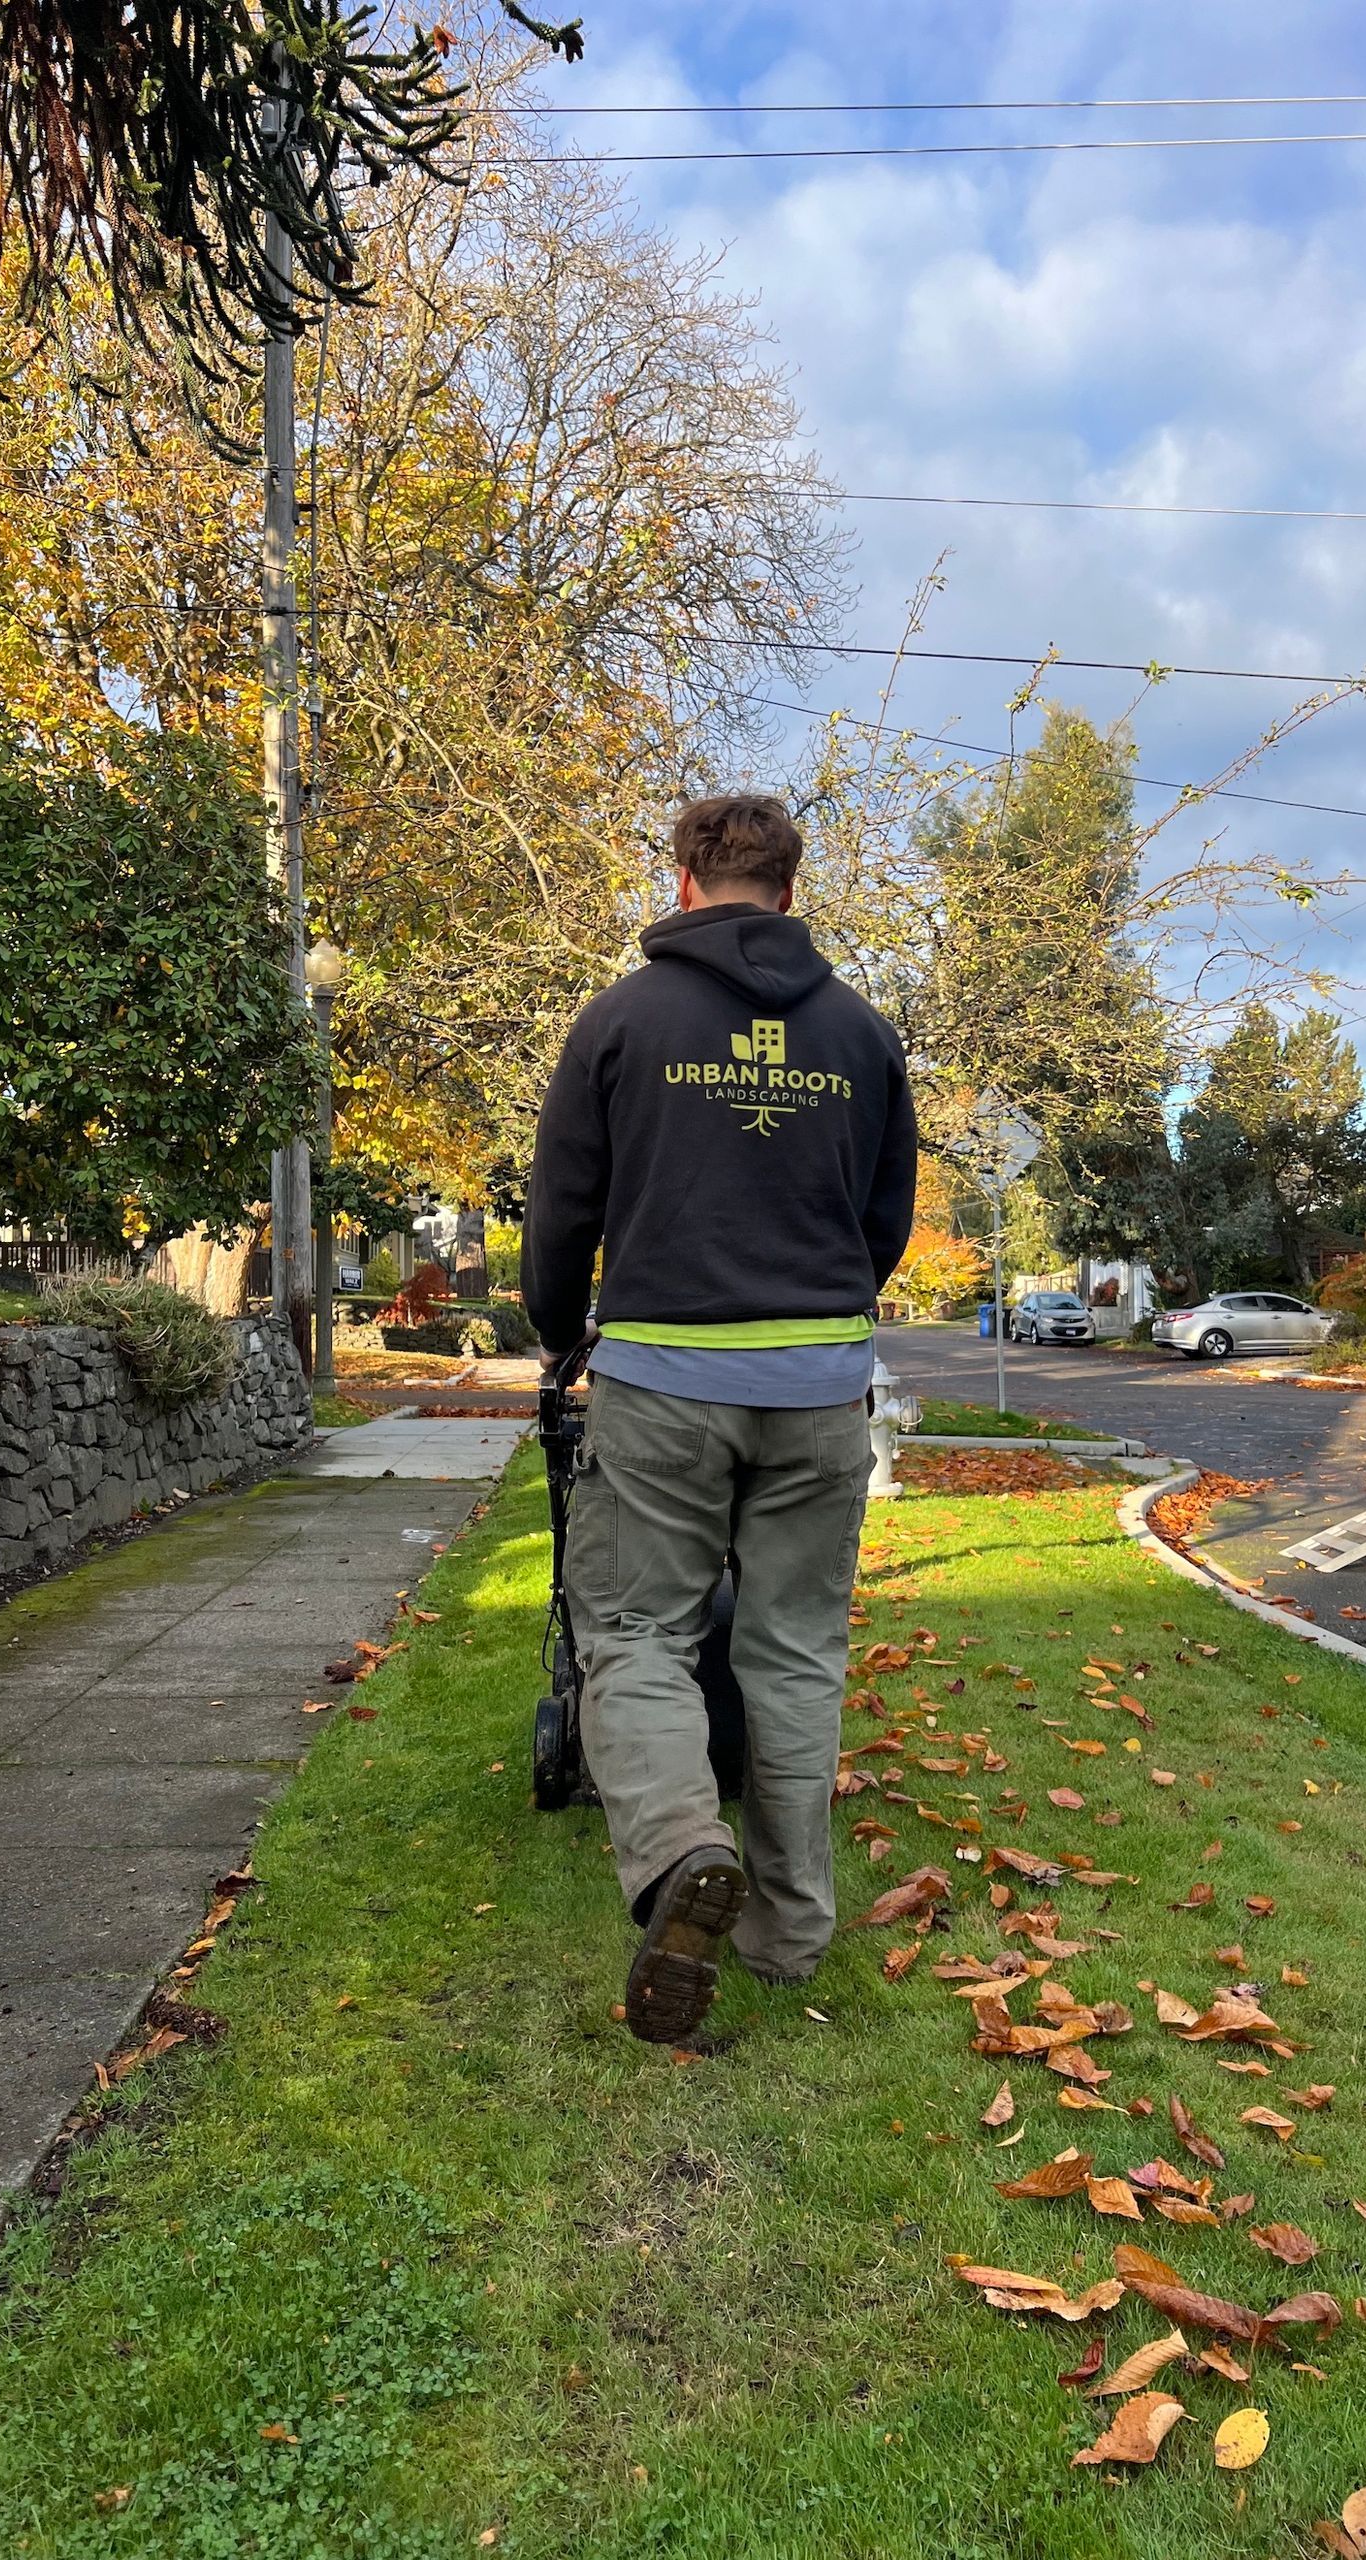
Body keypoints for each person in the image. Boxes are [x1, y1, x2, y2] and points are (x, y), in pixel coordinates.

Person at [521, 793, 917, 2043]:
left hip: (663, 1382)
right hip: (816, 1386)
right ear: (792, 891)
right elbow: (886, 1222)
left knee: (633, 1629)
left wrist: (556, 1330)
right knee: (796, 1651)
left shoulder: (622, 1020)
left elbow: (561, 1213)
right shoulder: (862, 1035)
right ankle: (789, 1930)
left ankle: (685, 1847)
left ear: (684, 881)